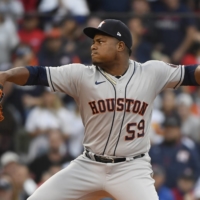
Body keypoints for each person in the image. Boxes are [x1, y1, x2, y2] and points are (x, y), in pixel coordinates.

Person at [0, 19, 200, 200]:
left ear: (121, 46)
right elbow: (37, 74)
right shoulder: (81, 75)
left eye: (101, 41)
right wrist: (7, 75)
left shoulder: (151, 72)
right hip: (89, 165)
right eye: (93, 41)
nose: (93, 46)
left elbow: (191, 74)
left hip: (131, 168)